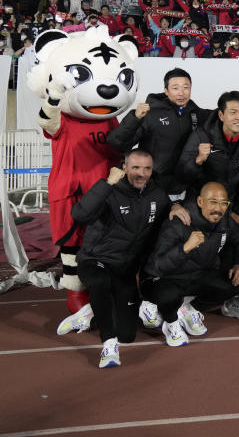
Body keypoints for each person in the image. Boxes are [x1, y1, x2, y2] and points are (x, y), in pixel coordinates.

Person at [56, 151, 171, 367]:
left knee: (127, 335)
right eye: (135, 168)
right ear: (124, 168)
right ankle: (108, 346)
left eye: (147, 168)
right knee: (100, 283)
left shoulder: (156, 194)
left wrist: (177, 207)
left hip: (124, 269)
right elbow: (80, 215)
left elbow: (166, 215)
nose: (141, 173)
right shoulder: (109, 189)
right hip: (96, 260)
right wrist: (107, 183)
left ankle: (91, 314)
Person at [141, 182, 239, 347]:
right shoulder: (178, 222)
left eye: (223, 203)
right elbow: (157, 266)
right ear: (200, 202)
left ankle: (190, 309)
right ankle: (170, 322)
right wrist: (184, 249)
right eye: (213, 202)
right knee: (168, 296)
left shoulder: (225, 222)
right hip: (165, 278)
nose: (219, 208)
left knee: (236, 283)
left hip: (196, 275)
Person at [177, 91, 239, 243]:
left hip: (229, 203)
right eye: (233, 112)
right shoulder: (201, 135)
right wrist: (198, 160)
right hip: (200, 202)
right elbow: (181, 174)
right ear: (221, 115)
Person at [107, 68, 209, 200]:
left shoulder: (196, 113)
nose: (181, 93)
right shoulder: (150, 113)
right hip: (152, 185)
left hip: (183, 186)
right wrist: (135, 118)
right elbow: (118, 144)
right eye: (175, 88)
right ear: (166, 91)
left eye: (186, 87)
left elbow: (222, 116)